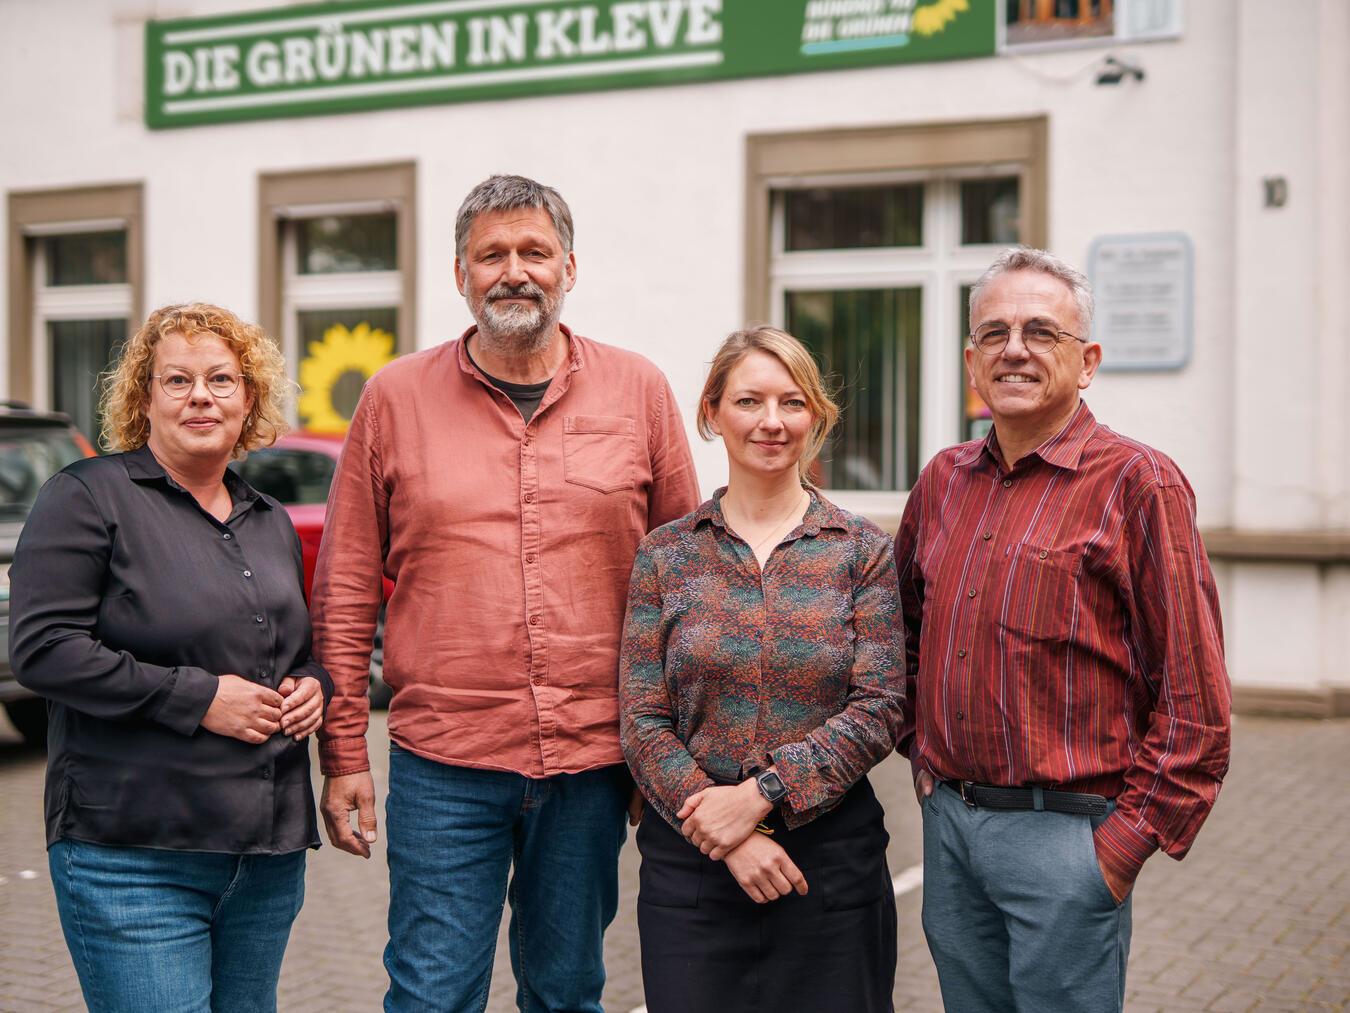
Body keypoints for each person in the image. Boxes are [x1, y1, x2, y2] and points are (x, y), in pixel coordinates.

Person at [311, 174, 701, 1012]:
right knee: (430, 993)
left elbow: (687, 583)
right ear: (460, 274)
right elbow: (344, 591)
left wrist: (667, 753)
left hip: (596, 761)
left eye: (534, 251)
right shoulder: (393, 399)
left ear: (569, 266)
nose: (514, 270)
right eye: (492, 254)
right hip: (443, 761)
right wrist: (344, 752)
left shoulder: (639, 390)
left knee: (565, 991)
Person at [895, 247, 1232, 1012]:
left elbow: (1195, 703)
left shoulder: (1138, 482)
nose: (1014, 348)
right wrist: (925, 763)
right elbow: (903, 635)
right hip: (950, 826)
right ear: (972, 361)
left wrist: (1116, 851)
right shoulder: (943, 480)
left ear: (1087, 362)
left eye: (1041, 331)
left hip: (1069, 840)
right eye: (995, 333)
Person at [8, 303, 331, 1012]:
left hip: (264, 857)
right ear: (144, 398)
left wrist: (314, 682)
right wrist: (198, 697)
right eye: (176, 379)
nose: (200, 396)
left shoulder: (268, 518)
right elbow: (40, 649)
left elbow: (294, 647)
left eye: (220, 379)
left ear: (248, 398)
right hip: (132, 856)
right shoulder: (87, 497)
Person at [620, 326, 904, 1013]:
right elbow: (641, 718)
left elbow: (882, 705)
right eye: (749, 401)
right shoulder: (666, 555)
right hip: (692, 868)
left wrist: (761, 795)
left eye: (792, 402)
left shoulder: (861, 552)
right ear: (712, 412)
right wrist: (728, 833)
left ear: (817, 417)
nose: (771, 422)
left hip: (829, 867)